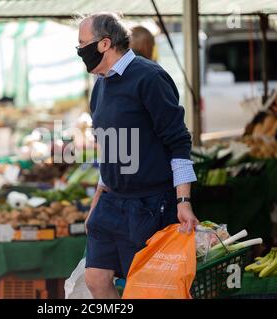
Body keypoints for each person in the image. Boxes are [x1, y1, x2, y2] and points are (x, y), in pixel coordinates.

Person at [76, 13, 199, 299]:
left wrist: (183, 200)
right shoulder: (101, 85)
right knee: (95, 279)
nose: (79, 51)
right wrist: (97, 201)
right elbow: (109, 148)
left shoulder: (150, 77)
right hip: (111, 201)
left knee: (142, 287)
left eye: (82, 44)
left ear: (104, 44)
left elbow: (179, 142)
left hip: (148, 204)